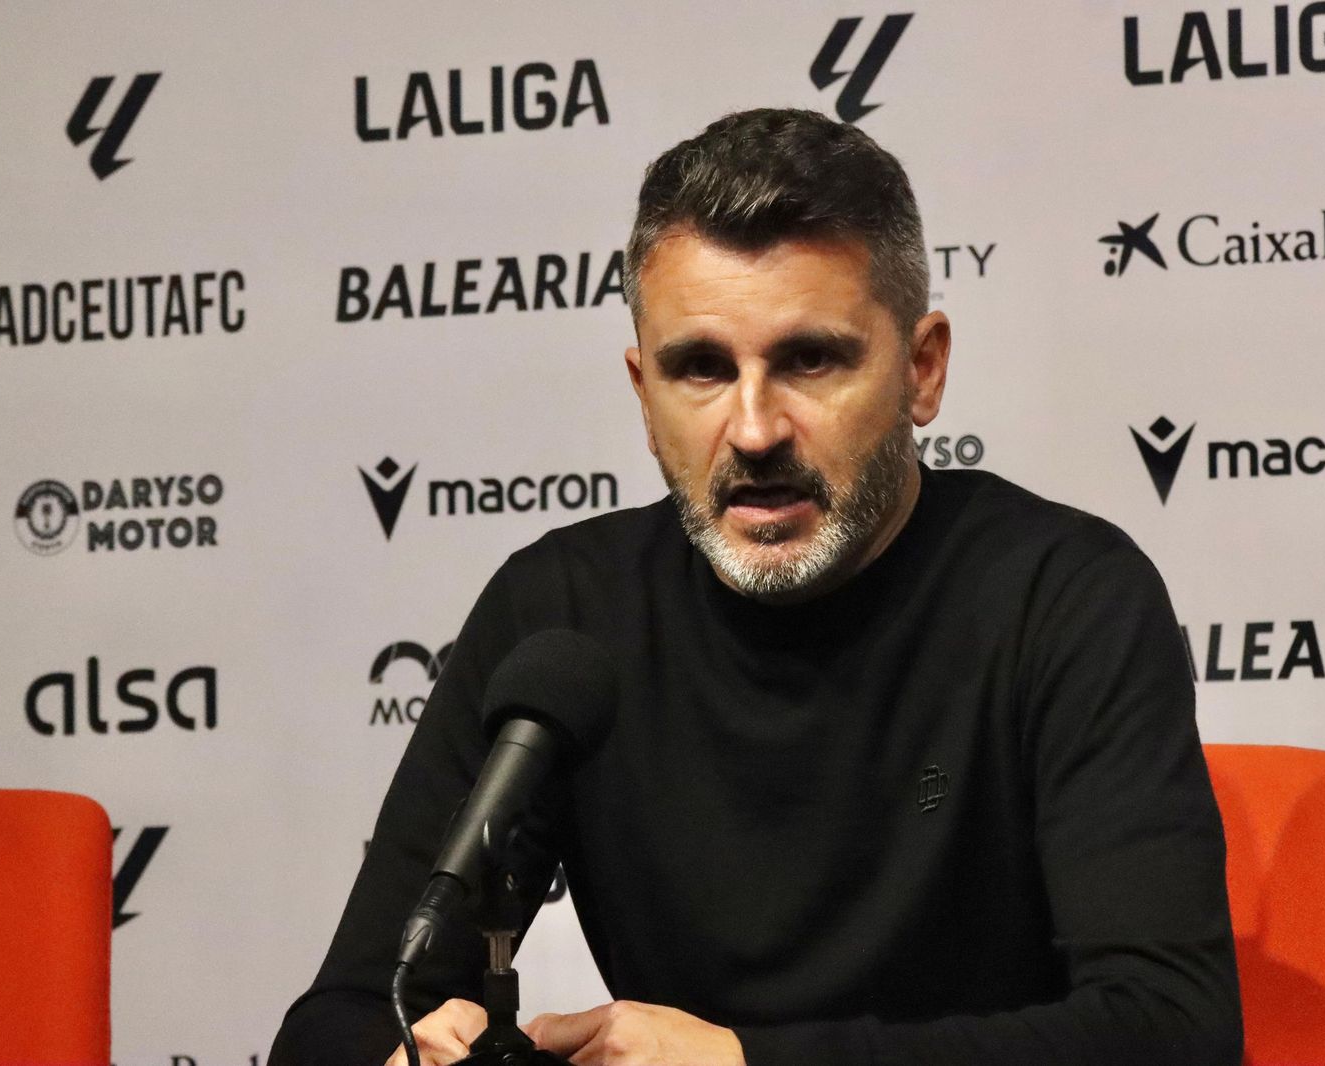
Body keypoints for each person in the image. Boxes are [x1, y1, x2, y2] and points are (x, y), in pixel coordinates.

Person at [269, 107, 1242, 1066]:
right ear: (643, 393)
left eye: (809, 360)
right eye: (700, 369)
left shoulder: (1065, 597)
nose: (754, 430)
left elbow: (1170, 1032)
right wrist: (404, 1053)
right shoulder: (562, 618)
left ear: (922, 369)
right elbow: (340, 1017)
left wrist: (743, 1063)